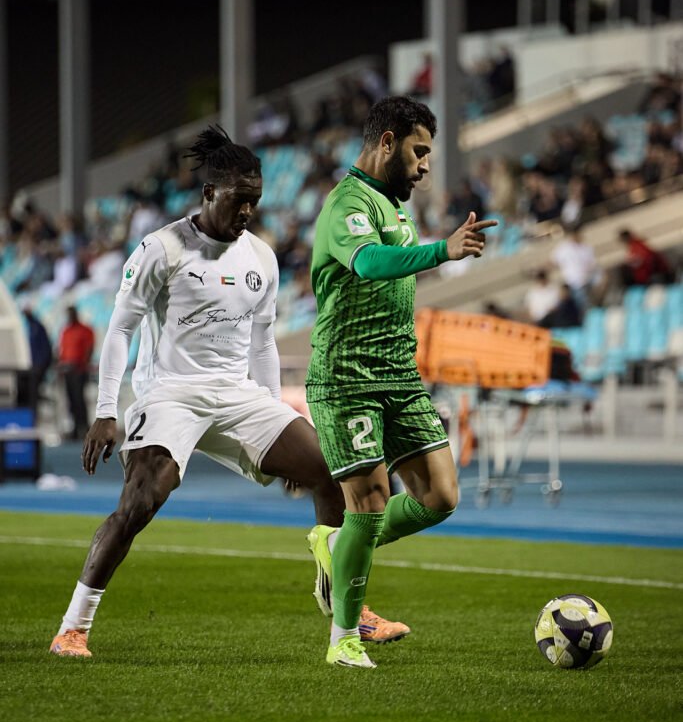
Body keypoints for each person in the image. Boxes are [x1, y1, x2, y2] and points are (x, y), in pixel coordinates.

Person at [50, 125, 404, 659]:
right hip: (171, 393)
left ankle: (344, 604)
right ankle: (73, 628)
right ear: (209, 192)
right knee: (141, 500)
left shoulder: (261, 256)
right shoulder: (162, 248)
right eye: (239, 200)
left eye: (254, 201)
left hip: (239, 396)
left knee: (335, 471)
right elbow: (120, 329)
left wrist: (276, 420)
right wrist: (106, 411)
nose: (247, 212)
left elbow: (262, 342)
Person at [305, 95, 497, 668]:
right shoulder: (348, 203)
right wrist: (442, 250)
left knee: (440, 497)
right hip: (347, 376)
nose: (425, 165)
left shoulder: (393, 206)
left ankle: (338, 544)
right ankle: (343, 639)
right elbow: (367, 263)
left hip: (399, 374)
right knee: (369, 504)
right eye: (419, 151)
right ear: (387, 142)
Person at [57, 306, 95, 441]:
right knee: (71, 400)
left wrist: (83, 364)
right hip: (67, 370)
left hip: (79, 370)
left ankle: (84, 427)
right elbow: (62, 350)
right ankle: (75, 427)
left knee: (79, 399)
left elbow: (89, 348)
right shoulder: (66, 331)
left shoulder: (85, 330)